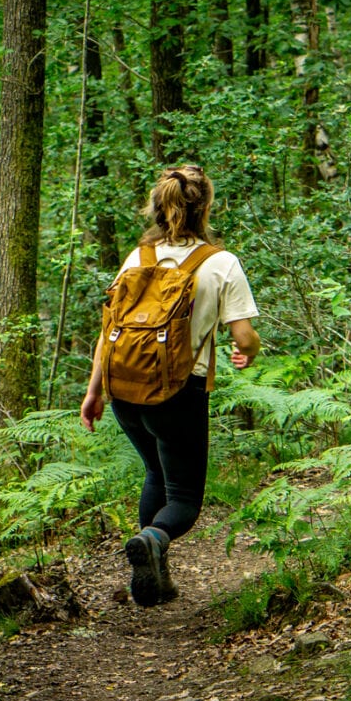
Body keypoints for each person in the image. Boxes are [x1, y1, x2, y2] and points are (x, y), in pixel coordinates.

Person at [80, 164, 261, 606]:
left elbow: (110, 330)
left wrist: (93, 391)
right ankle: (154, 540)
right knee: (183, 498)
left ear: (158, 208)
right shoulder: (220, 263)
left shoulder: (137, 259)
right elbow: (243, 336)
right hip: (180, 392)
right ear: (205, 208)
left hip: (124, 389)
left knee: (154, 472)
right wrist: (249, 351)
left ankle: (155, 578)